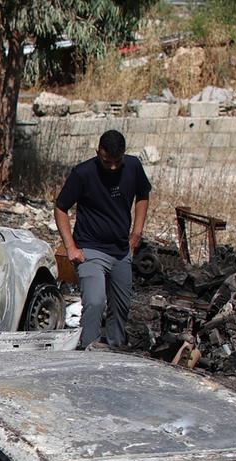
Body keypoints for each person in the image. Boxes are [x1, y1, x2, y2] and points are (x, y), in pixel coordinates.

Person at [54, 129, 152, 349]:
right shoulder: (83, 173)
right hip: (90, 249)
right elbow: (61, 208)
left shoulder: (133, 167)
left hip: (120, 250)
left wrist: (137, 232)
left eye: (117, 162)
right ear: (98, 152)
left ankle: (114, 351)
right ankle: (88, 350)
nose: (113, 167)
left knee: (120, 307)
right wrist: (70, 246)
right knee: (96, 302)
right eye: (107, 162)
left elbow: (143, 195)